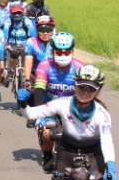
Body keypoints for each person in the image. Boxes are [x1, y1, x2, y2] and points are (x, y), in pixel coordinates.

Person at [25, 65, 118, 180]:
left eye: (90, 89)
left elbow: (107, 140)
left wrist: (111, 166)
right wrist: (24, 102)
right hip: (67, 154)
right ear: (74, 85)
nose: (85, 92)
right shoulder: (63, 103)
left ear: (97, 92)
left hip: (93, 155)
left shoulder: (102, 113)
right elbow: (33, 113)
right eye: (81, 87)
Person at [20, 32, 84, 172]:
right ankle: (48, 155)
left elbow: (86, 94)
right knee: (46, 132)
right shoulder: (44, 66)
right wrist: (38, 115)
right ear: (53, 51)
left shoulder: (79, 67)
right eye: (59, 52)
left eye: (66, 52)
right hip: (49, 106)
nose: (62, 55)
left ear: (72, 51)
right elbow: (39, 91)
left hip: (71, 107)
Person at [2, 4, 36, 84]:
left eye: (18, 13)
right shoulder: (8, 21)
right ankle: (10, 71)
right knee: (12, 55)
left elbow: (33, 35)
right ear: (11, 14)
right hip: (12, 43)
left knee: (26, 59)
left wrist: (33, 45)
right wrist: (4, 45)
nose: (16, 15)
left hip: (25, 43)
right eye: (14, 13)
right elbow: (5, 35)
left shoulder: (27, 21)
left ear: (22, 13)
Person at [22, 15, 55, 82]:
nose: (45, 33)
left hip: (53, 76)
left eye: (48, 30)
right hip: (36, 76)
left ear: (53, 30)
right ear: (37, 30)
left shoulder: (57, 42)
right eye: (42, 30)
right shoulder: (31, 42)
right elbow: (28, 62)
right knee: (22, 92)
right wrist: (27, 80)